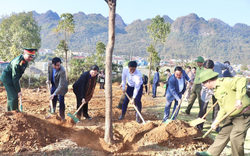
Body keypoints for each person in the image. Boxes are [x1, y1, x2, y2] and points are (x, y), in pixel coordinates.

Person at [196, 69, 250, 156]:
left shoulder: (224, 82)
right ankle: (211, 153)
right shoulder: (216, 90)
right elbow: (222, 108)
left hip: (243, 115)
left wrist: (238, 99)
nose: (204, 85)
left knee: (236, 138)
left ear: (208, 81)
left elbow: (242, 80)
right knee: (223, 134)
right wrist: (216, 121)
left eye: (203, 83)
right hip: (231, 115)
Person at [197, 60, 236, 131]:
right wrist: (214, 92)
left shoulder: (218, 65)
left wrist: (233, 75)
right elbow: (204, 87)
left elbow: (227, 66)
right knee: (203, 108)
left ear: (213, 67)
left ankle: (215, 125)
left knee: (217, 109)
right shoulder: (203, 73)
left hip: (218, 89)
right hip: (207, 92)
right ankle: (199, 126)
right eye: (205, 70)